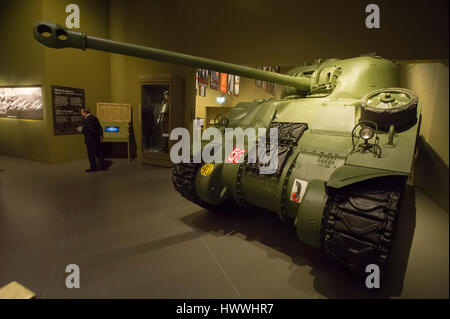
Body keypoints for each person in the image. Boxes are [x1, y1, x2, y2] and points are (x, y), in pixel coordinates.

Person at [80, 107, 106, 172]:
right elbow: (100, 128)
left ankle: (93, 168)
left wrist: (82, 130)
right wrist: (100, 136)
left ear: (85, 112)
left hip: (90, 140)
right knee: (97, 153)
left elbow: (90, 129)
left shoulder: (87, 119)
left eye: (81, 112)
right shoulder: (94, 117)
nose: (81, 114)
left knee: (91, 155)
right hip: (96, 139)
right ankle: (101, 166)